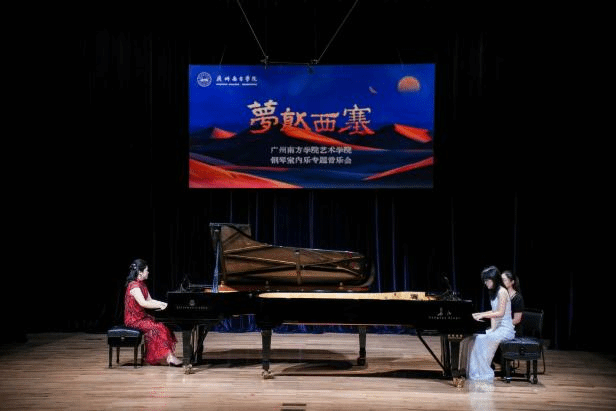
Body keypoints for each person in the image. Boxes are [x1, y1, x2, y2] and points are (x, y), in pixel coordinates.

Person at [460, 266, 515, 382]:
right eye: (485, 281)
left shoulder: (502, 292)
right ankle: (471, 371)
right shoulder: (494, 292)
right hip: (498, 328)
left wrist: (483, 316)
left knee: (480, 339)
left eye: (487, 280)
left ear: (494, 279)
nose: (486, 283)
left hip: (505, 329)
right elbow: (494, 311)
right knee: (472, 339)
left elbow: (500, 313)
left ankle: (482, 372)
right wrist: (479, 314)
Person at [124, 259, 182, 366]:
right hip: (133, 320)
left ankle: (169, 356)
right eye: (146, 270)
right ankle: (169, 357)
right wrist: (160, 306)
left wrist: (165, 304)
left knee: (163, 325)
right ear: (140, 272)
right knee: (158, 328)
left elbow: (150, 300)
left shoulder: (142, 284)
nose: (148, 272)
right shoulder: (134, 286)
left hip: (141, 317)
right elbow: (144, 303)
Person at [501, 270, 525, 336]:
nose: (502, 282)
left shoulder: (518, 298)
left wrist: (503, 325)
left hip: (513, 330)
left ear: (512, 282)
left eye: (504, 280)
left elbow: (517, 319)